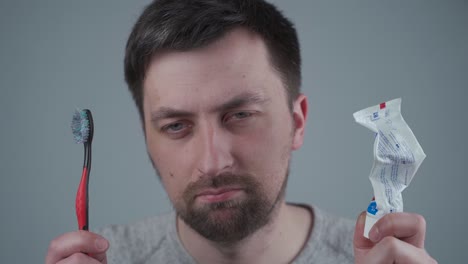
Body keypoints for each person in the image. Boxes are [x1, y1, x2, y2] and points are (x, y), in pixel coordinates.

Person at [46, 0, 437, 263]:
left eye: (241, 115)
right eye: (176, 126)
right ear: (146, 137)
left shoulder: (374, 259)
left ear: (297, 122)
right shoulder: (107, 258)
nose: (212, 161)